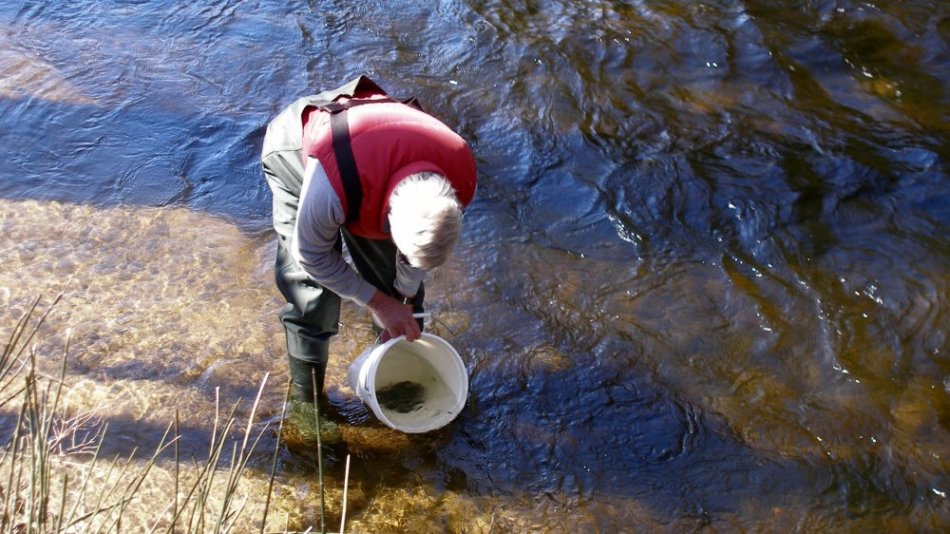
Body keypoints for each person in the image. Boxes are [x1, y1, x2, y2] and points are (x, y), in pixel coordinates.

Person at [261, 76, 477, 402]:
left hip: (377, 152)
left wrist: (401, 300)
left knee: (399, 291)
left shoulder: (461, 176)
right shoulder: (329, 185)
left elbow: (417, 256)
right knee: (313, 297)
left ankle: (396, 370)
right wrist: (377, 302)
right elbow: (313, 257)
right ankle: (307, 403)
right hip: (304, 150)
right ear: (388, 221)